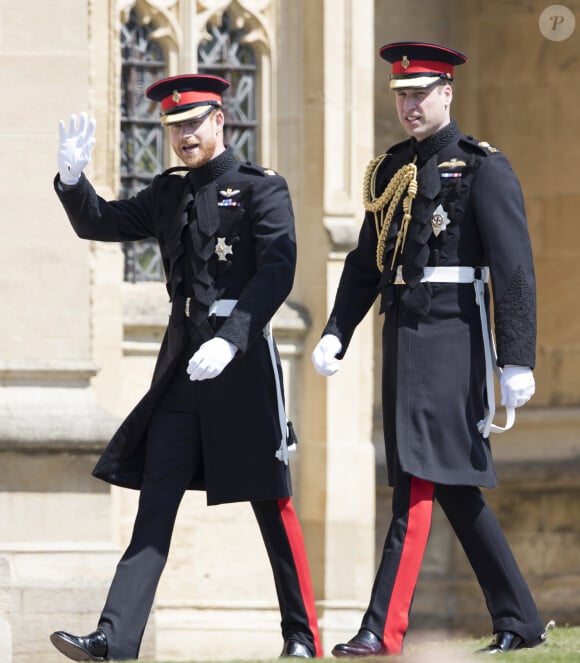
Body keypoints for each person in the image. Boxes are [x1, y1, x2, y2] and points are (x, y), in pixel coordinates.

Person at [49, 74, 321, 661]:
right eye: (173, 127)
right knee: (155, 500)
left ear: (220, 120)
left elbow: (278, 269)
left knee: (271, 503)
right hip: (182, 370)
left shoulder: (260, 189)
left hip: (241, 364)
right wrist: (73, 183)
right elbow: (104, 222)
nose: (183, 136)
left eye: (193, 123)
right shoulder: (169, 192)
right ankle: (115, 640)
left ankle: (301, 636)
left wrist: (234, 337)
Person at [312, 42, 546, 656]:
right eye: (401, 94)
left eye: (420, 92)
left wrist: (515, 355)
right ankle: (519, 617)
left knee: (416, 478)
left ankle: (379, 628)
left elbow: (513, 269)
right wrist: (339, 327)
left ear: (446, 92)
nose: (409, 105)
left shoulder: (482, 167)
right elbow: (367, 264)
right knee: (448, 483)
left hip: (454, 334)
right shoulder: (389, 170)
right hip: (403, 330)